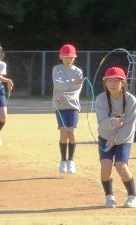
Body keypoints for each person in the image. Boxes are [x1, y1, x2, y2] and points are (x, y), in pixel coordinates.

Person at [96, 67, 136, 208]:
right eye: (109, 80)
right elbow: (102, 122)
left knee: (121, 166)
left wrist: (115, 140)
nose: (113, 83)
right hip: (105, 136)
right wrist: (112, 122)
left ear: (123, 83)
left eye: (116, 80)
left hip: (124, 138)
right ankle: (109, 196)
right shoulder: (101, 99)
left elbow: (129, 125)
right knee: (105, 166)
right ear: (105, 82)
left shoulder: (131, 100)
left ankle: (133, 196)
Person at [52, 44, 83, 174]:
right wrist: (73, 82)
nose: (69, 60)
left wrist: (65, 97)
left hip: (73, 106)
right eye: (66, 57)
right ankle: (63, 160)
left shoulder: (78, 71)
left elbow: (76, 91)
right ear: (60, 57)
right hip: (59, 106)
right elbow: (58, 85)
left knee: (72, 133)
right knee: (64, 132)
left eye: (71, 57)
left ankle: (71, 161)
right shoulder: (57, 69)